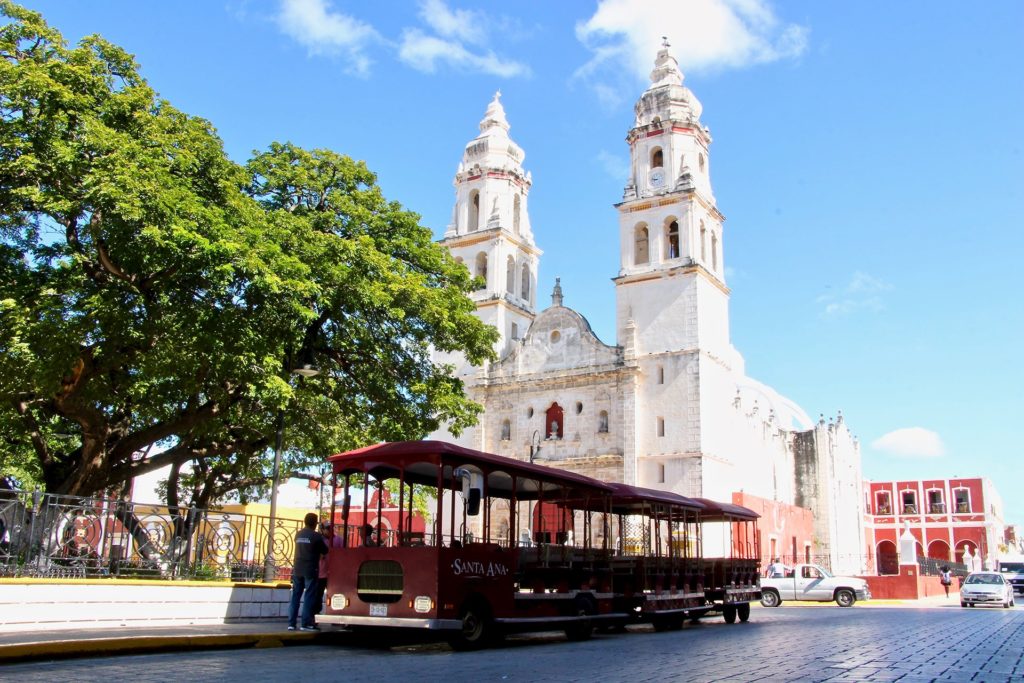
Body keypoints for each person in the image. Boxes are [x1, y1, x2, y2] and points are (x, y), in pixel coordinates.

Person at [288, 512, 328, 632]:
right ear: (315, 523)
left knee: (295, 596)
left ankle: (291, 623)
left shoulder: (298, 534)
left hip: (297, 568)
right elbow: (325, 550)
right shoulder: (316, 536)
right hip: (310, 569)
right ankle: (305, 623)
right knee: (309, 596)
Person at [313, 520, 343, 615]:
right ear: (323, 529)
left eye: (331, 528)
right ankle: (316, 613)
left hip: (334, 572)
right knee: (318, 594)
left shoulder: (338, 540)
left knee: (336, 594)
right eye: (327, 529)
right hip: (322, 572)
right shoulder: (319, 540)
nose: (330, 530)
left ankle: (335, 613)